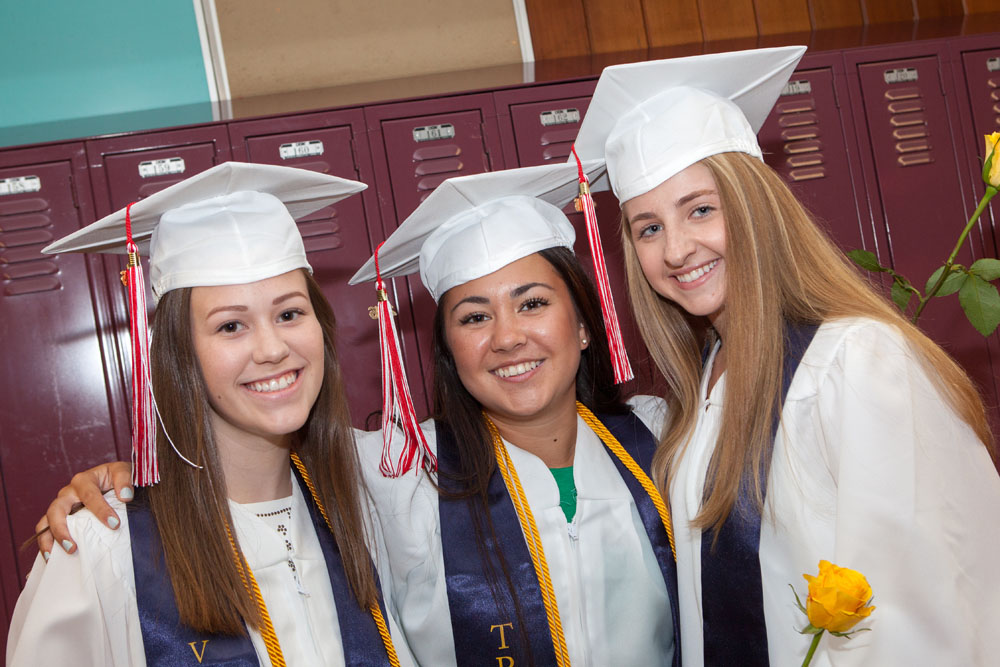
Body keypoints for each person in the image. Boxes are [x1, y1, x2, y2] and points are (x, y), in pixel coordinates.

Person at [34, 162, 680, 666]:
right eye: (474, 316)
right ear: (449, 350)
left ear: (586, 323)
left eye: (533, 303)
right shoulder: (396, 472)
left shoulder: (666, 436)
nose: (507, 336)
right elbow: (237, 459)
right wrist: (120, 487)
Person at [572, 46, 1000, 666]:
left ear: (754, 207)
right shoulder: (706, 387)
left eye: (700, 209)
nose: (677, 249)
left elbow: (928, 612)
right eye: (648, 227)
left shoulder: (855, 362)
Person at [7, 162, 412, 666]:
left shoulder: (377, 498)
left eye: (289, 314)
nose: (271, 349)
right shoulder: (104, 551)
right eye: (230, 327)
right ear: (180, 356)